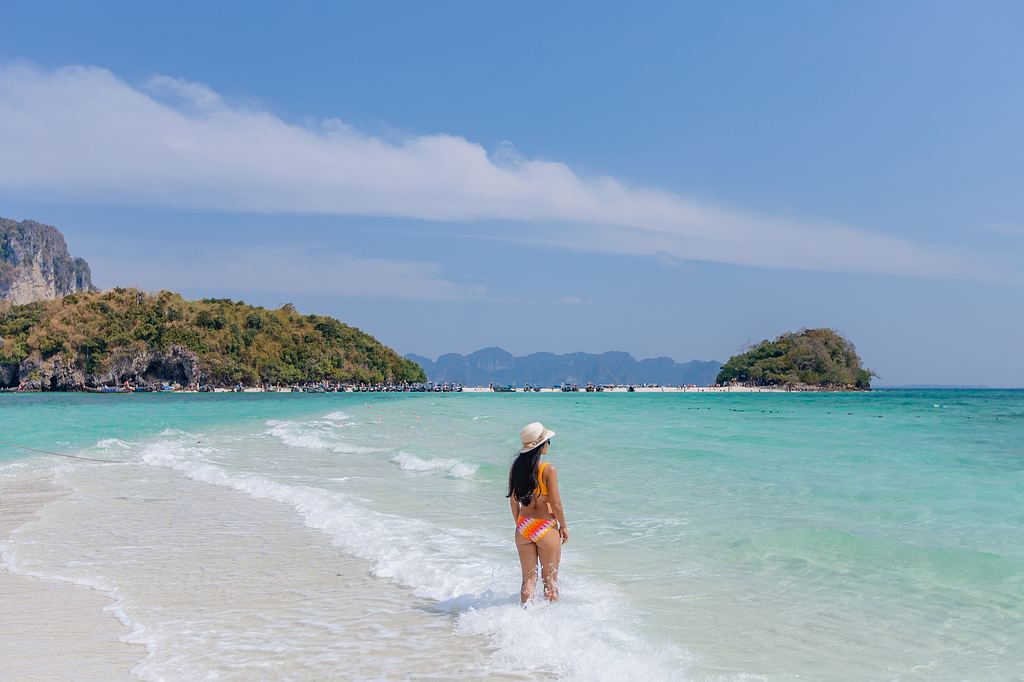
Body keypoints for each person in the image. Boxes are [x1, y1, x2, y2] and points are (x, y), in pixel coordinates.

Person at [507, 421, 568, 603]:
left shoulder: (515, 468)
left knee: (528, 580)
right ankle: (548, 626)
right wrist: (563, 526)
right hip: (546, 527)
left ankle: (524, 619)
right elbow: (556, 504)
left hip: (523, 527)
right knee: (550, 583)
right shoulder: (548, 469)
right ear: (541, 445)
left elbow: (513, 500)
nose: (549, 445)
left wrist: (519, 523)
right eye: (548, 441)